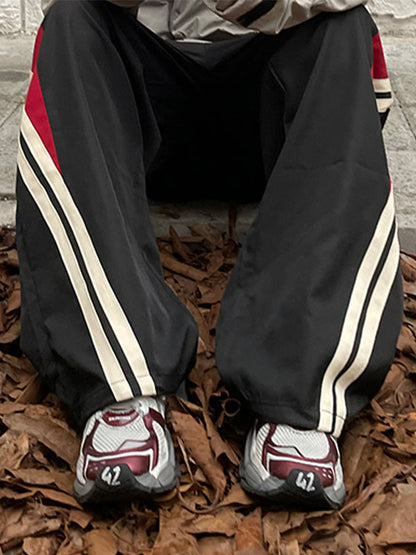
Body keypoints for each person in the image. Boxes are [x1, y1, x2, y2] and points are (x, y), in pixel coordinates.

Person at [16, 0, 402, 509]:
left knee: (345, 29)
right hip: (139, 113)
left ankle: (298, 395)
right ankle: (119, 384)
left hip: (272, 118)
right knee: (70, 20)